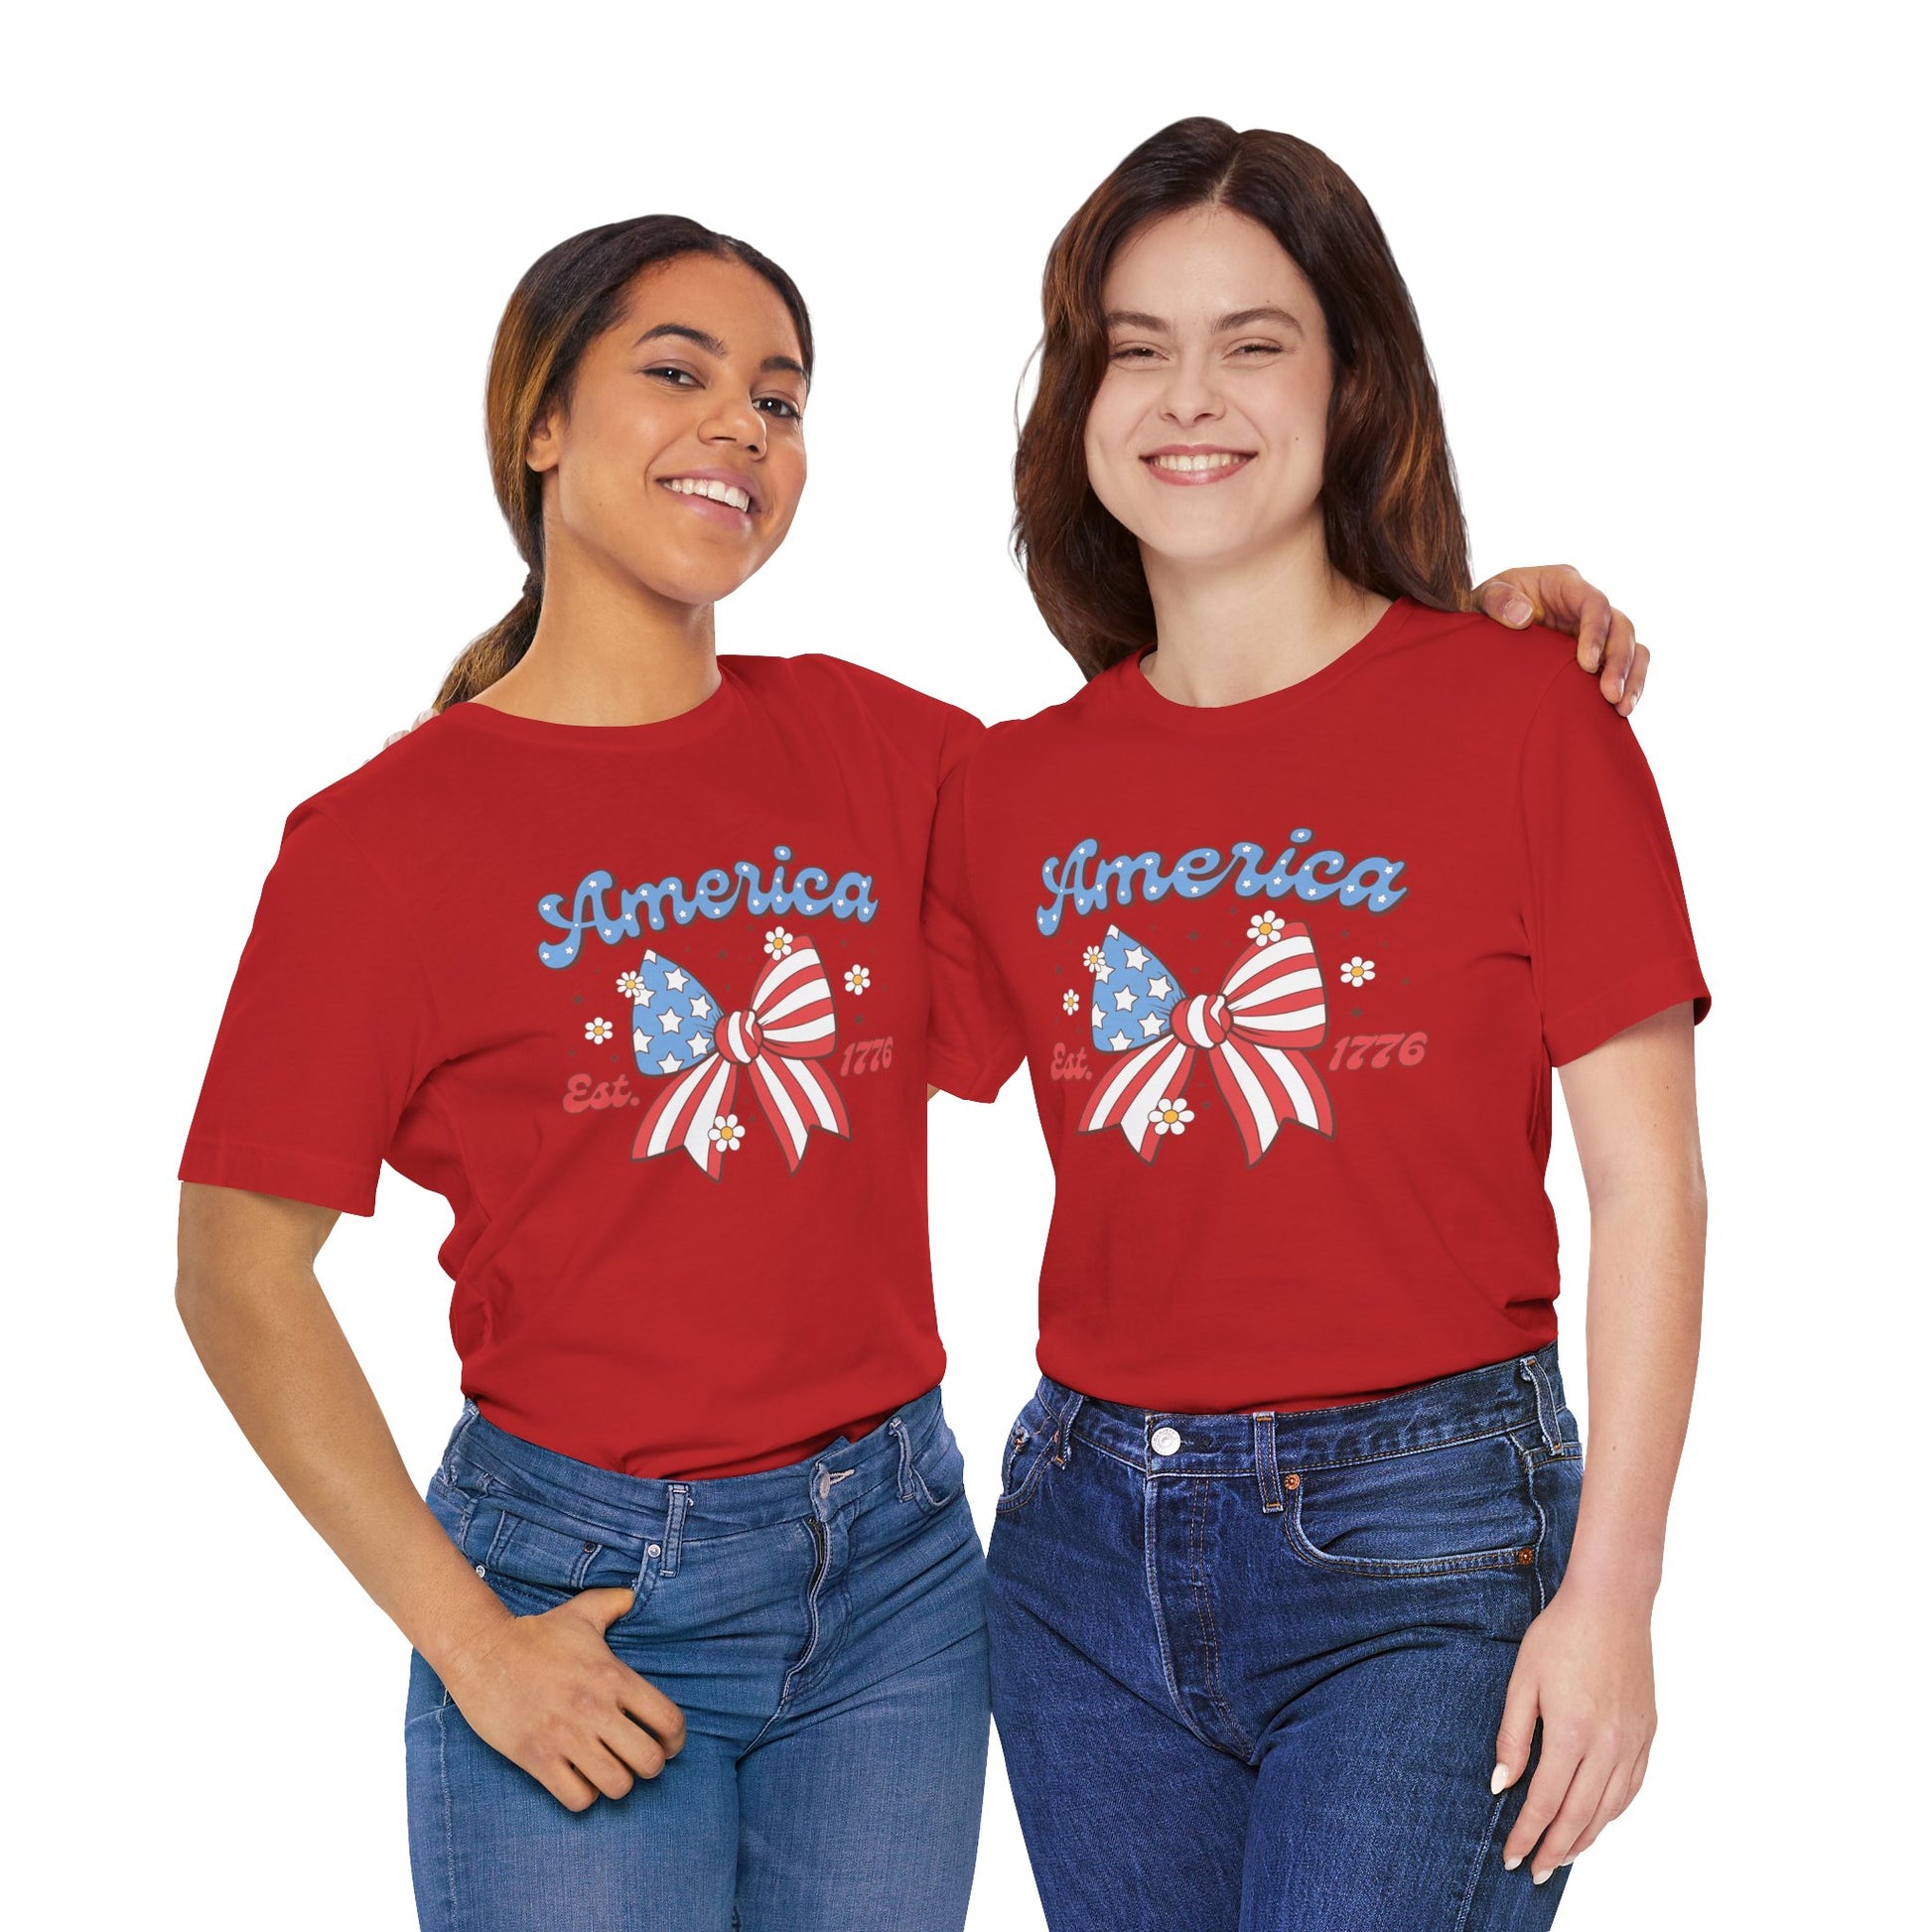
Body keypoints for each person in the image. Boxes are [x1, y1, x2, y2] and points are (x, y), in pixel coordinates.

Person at [176, 209, 1645, 1930]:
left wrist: (1455, 648)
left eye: (781, 399)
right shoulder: (379, 844)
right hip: (576, 1584)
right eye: (678, 372)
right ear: (539, 421)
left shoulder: (891, 757)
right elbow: (234, 1268)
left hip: (893, 1583)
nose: (740, 424)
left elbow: (1195, 775)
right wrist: (468, 1640)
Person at [923, 119, 1708, 1932]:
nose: (1189, 394)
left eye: (1252, 340)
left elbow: (1648, 1186)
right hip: (1075, 1556)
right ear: (1077, 399)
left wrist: (1611, 1599)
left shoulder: (1526, 712)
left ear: (1353, 381)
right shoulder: (1006, 789)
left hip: (1428, 1543)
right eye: (1134, 345)